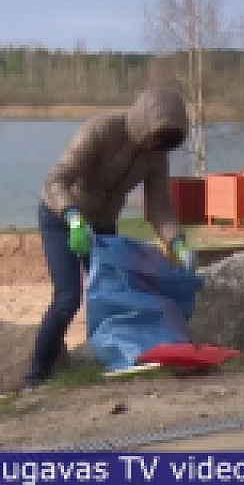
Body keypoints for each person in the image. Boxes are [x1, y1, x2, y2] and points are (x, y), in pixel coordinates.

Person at [23, 87, 197, 389]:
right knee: (68, 298)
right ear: (144, 121)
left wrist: (177, 242)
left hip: (102, 227)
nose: (158, 145)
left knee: (116, 294)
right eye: (157, 136)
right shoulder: (100, 130)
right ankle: (36, 376)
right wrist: (73, 217)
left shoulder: (156, 155)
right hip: (61, 216)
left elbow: (159, 207)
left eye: (166, 141)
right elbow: (56, 180)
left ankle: (120, 358)